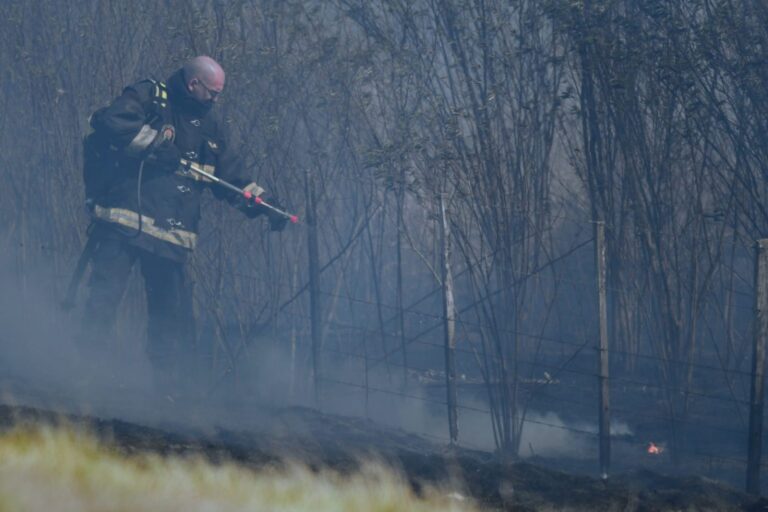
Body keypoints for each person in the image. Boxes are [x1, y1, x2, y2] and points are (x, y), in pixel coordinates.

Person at [79, 56, 285, 393]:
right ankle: (83, 376)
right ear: (194, 84)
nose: (215, 99)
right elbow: (110, 122)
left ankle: (165, 392)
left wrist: (266, 205)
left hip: (171, 237)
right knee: (103, 298)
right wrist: (157, 145)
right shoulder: (150, 96)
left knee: (168, 317)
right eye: (213, 93)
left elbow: (232, 177)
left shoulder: (210, 128)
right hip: (123, 224)